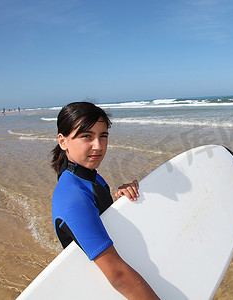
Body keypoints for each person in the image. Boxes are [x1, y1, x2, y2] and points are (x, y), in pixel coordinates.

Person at [50, 102, 159, 299]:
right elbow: (117, 276)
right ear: (63, 141)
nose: (98, 146)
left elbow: (101, 222)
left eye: (103, 136)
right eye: (86, 136)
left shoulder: (90, 177)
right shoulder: (71, 195)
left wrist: (121, 201)